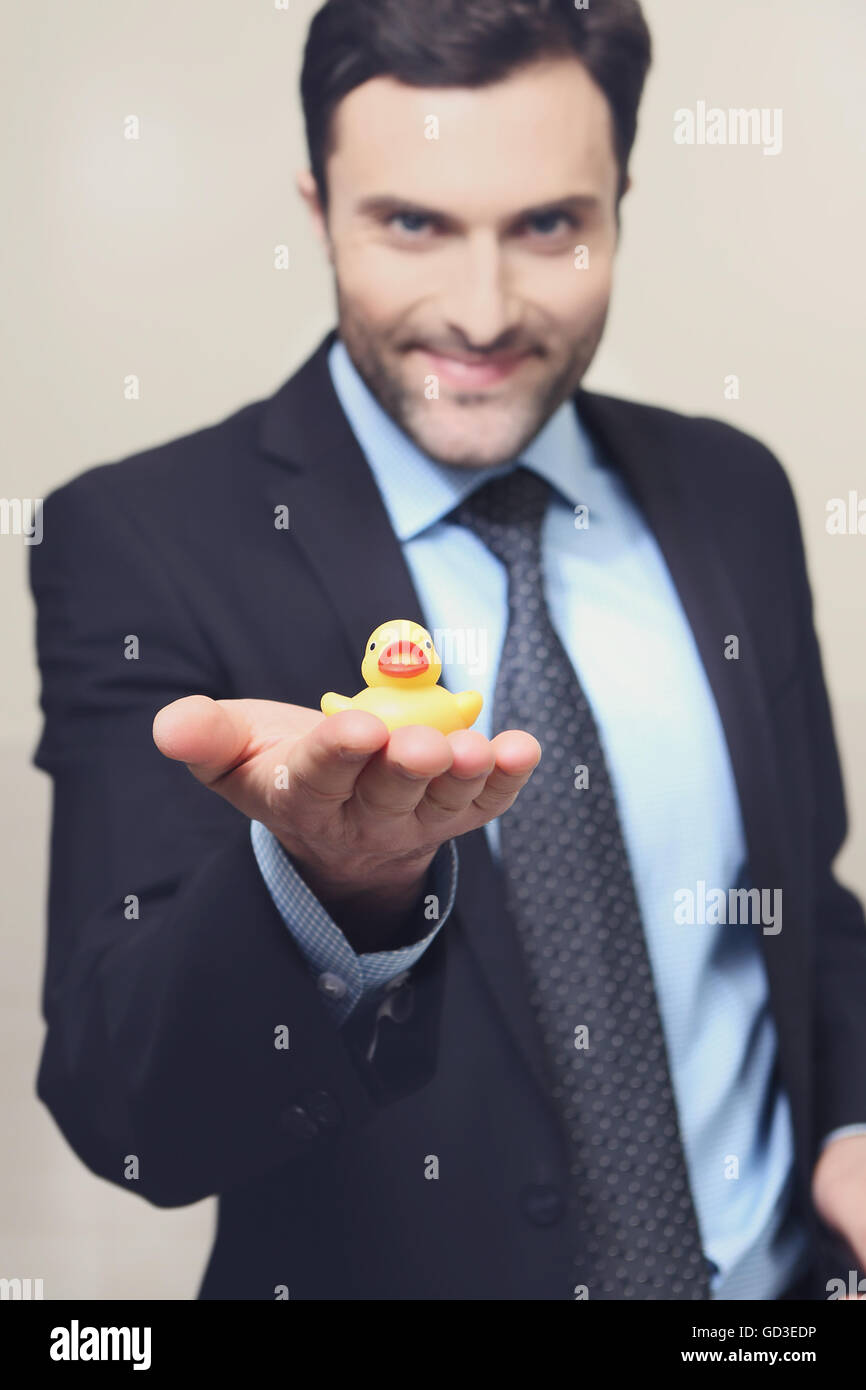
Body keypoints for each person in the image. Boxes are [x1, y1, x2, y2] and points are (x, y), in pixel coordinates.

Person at [30, 0, 866, 1301]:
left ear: (619, 200)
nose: (481, 312)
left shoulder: (733, 491)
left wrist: (848, 1126)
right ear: (319, 205)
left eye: (547, 225)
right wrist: (328, 888)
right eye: (411, 222)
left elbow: (798, 905)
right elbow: (126, 1108)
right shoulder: (136, 539)